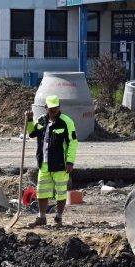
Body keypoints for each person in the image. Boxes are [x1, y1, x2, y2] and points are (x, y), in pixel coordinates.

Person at [24, 95, 78, 227]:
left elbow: (73, 142)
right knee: (42, 191)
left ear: (59, 107)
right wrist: (30, 120)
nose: (53, 110)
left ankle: (58, 218)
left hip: (60, 164)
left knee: (60, 192)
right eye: (51, 108)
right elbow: (32, 134)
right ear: (46, 107)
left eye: (56, 107)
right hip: (44, 164)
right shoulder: (41, 120)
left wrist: (70, 161)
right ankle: (41, 217)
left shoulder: (66, 122)